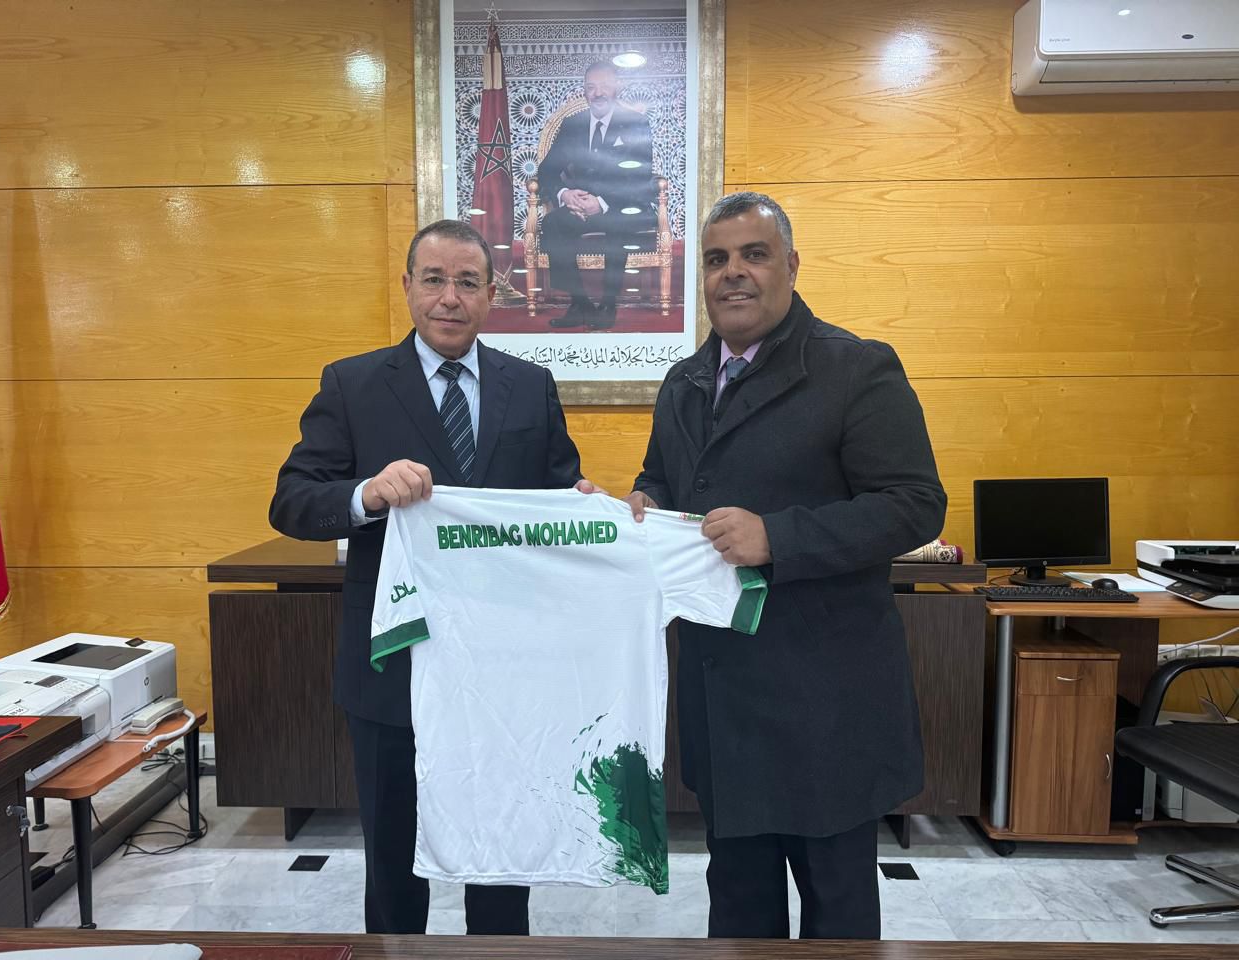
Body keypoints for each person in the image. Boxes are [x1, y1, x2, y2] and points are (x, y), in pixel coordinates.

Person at [624, 192, 946, 940]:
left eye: (754, 255)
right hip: (722, 694)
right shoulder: (684, 381)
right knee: (739, 909)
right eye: (716, 259)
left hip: (824, 702)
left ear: (791, 266)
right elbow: (663, 478)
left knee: (837, 915)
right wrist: (643, 503)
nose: (733, 272)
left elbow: (914, 505)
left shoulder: (855, 367)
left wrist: (779, 537)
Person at [270, 219, 588, 936]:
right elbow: (292, 500)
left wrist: (583, 506)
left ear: (492, 294)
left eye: (468, 282)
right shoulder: (352, 384)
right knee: (392, 858)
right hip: (395, 662)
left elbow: (557, 496)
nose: (451, 297)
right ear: (408, 286)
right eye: (435, 280)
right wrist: (365, 493)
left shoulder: (530, 386)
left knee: (501, 852)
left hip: (503, 667)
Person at [537, 60, 657, 330]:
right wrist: (565, 194)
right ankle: (580, 304)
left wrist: (601, 203)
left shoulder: (635, 122)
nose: (598, 93)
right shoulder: (573, 124)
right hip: (581, 206)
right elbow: (546, 171)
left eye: (604, 86)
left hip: (625, 205)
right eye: (591, 87)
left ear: (617, 87)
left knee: (618, 222)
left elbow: (639, 175)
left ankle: (607, 304)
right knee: (553, 223)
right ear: (584, 91)